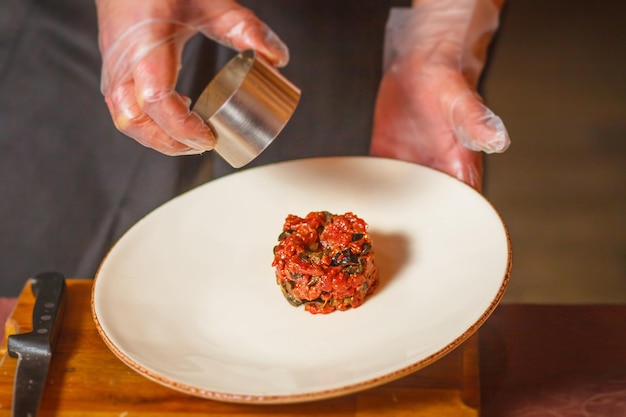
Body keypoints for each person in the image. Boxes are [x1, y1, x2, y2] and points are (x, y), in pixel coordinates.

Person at [0, 0, 509, 300]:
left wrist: (439, 37)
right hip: (69, 26)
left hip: (332, 25)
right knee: (45, 288)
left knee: (374, 278)